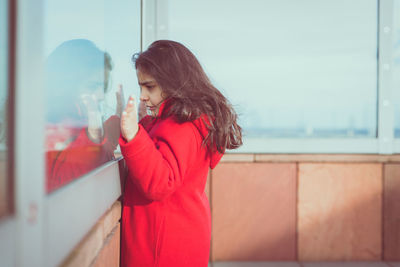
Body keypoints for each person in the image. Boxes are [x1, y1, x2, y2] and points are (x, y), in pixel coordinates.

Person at [119, 40, 242, 267]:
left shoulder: (181, 124)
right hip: (176, 238)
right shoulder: (180, 121)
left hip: (163, 248)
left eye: (150, 87)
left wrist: (133, 136)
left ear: (173, 83)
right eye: (140, 87)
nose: (143, 95)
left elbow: (160, 182)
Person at [45, 39, 122, 193]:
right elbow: (73, 185)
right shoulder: (56, 131)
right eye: (93, 86)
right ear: (67, 85)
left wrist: (115, 122)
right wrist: (94, 137)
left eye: (103, 86)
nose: (101, 95)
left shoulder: (78, 122)